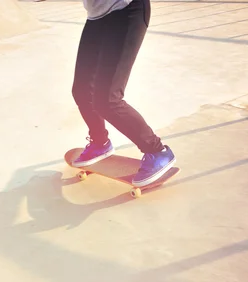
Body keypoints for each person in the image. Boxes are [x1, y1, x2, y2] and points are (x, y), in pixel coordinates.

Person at [71, 0, 175, 187]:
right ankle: (100, 142)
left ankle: (158, 151)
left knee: (107, 100)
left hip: (127, 10)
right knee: (81, 90)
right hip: (96, 17)